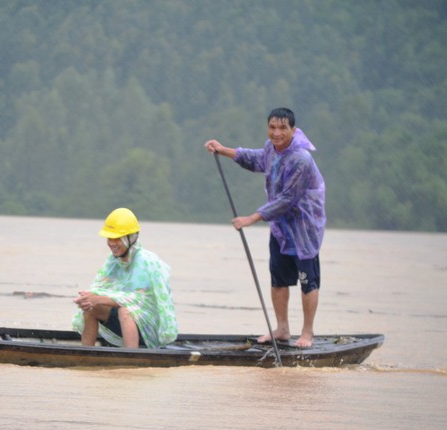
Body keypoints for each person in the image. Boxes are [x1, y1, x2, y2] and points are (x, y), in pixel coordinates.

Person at [204, 107, 326, 347]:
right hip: (281, 227)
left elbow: (288, 198)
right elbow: (255, 158)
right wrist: (223, 149)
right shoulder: (272, 149)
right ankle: (281, 329)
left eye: (282, 128)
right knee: (278, 279)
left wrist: (252, 218)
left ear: (293, 129)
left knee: (307, 280)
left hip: (304, 228)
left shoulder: (301, 159)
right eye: (272, 127)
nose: (276, 133)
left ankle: (307, 333)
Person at [72, 208, 178, 348]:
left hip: (150, 328)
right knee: (92, 308)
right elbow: (101, 289)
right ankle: (85, 355)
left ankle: (130, 356)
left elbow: (139, 300)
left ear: (131, 238)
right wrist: (88, 300)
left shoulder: (147, 260)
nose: (112, 243)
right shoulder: (113, 261)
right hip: (125, 325)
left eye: (117, 238)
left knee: (125, 310)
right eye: (110, 238)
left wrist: (98, 298)